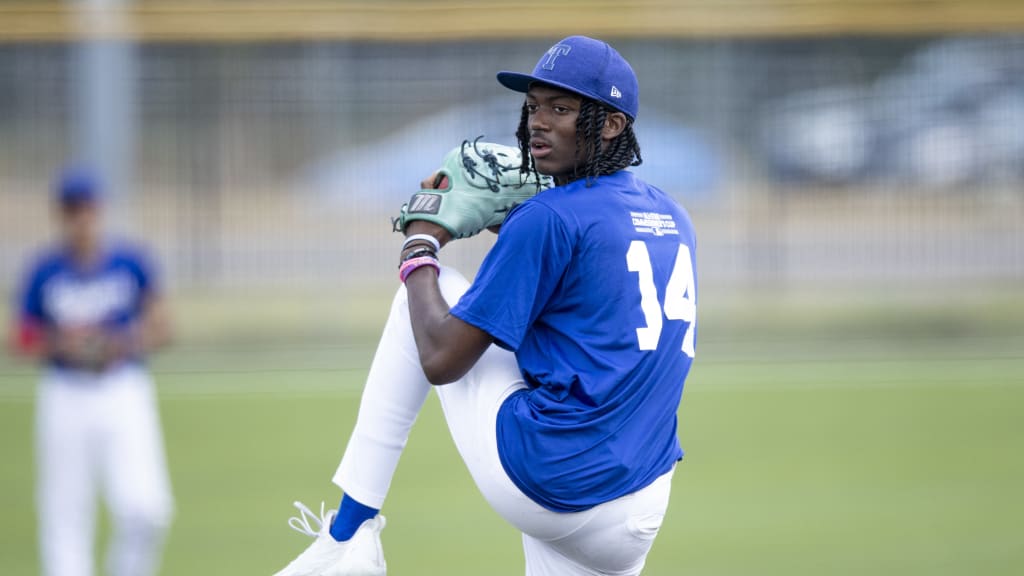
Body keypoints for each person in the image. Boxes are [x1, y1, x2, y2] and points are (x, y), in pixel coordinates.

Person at [274, 35, 697, 576]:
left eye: (561, 108)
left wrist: (419, 243)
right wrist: (512, 221)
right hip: (642, 501)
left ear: (611, 124)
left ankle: (349, 537)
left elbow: (441, 359)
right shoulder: (673, 215)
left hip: (553, 484)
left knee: (434, 287)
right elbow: (584, 265)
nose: (539, 121)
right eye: (533, 106)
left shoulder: (547, 220)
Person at [10, 169, 175, 576]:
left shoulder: (129, 261)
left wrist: (120, 341)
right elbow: (21, 337)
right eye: (72, 209)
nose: (81, 218)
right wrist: (61, 343)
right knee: (65, 515)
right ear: (60, 214)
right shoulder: (45, 270)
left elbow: (163, 326)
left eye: (88, 208)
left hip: (122, 387)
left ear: (100, 210)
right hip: (66, 391)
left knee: (147, 509)